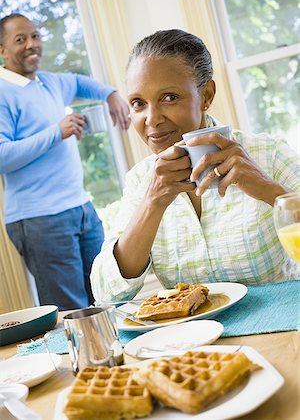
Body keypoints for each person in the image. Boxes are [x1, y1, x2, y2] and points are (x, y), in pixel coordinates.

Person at [90, 28, 300, 303]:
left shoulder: (267, 154)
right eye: (138, 103)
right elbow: (107, 295)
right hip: (193, 342)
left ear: (206, 96)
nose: (151, 119)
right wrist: (153, 201)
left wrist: (266, 188)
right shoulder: (141, 181)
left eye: (169, 97)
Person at [0, 13, 130, 310]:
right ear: (2, 51)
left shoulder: (49, 82)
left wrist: (111, 95)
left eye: (35, 36)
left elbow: (80, 83)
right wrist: (56, 132)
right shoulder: (2, 92)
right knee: (73, 313)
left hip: (81, 209)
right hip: (40, 219)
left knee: (107, 298)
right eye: (20, 39)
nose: (32, 44)